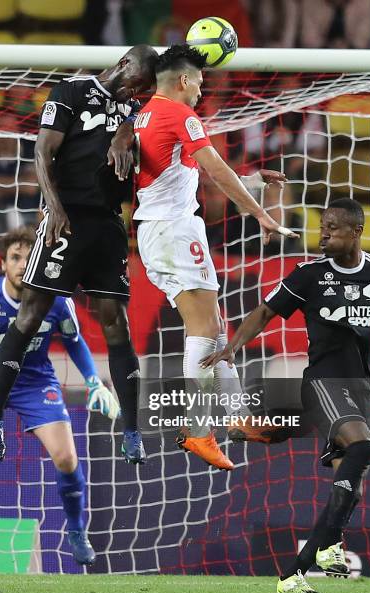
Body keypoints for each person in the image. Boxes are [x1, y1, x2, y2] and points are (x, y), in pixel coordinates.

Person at [0, 44, 159, 465]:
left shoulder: (135, 110)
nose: (139, 90)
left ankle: (131, 430)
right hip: (67, 217)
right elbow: (42, 151)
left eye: (146, 88)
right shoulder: (73, 90)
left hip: (110, 224)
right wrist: (55, 207)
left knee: (116, 323)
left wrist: (126, 131)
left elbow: (153, 134)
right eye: (138, 80)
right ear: (123, 64)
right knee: (31, 314)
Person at [201, 198, 370, 593]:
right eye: (322, 227)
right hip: (323, 383)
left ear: (356, 232)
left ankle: (322, 551)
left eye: (332, 228)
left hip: (358, 390)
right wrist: (233, 346)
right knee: (364, 448)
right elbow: (265, 312)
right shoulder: (308, 275)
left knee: (354, 481)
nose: (323, 235)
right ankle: (306, 561)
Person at [133, 44, 297, 470]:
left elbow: (185, 173)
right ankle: (199, 430)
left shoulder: (147, 113)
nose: (202, 91)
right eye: (200, 83)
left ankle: (237, 415)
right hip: (172, 230)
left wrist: (256, 181)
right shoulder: (178, 114)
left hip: (163, 229)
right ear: (184, 81)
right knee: (203, 329)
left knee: (215, 327)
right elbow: (215, 171)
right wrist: (261, 214)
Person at [0, 227, 119, 565]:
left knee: (67, 459)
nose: (22, 264)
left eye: (29, 258)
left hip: (34, 383)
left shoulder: (57, 301)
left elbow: (74, 341)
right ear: (3, 263)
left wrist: (94, 382)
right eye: (15, 257)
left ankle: (76, 529)